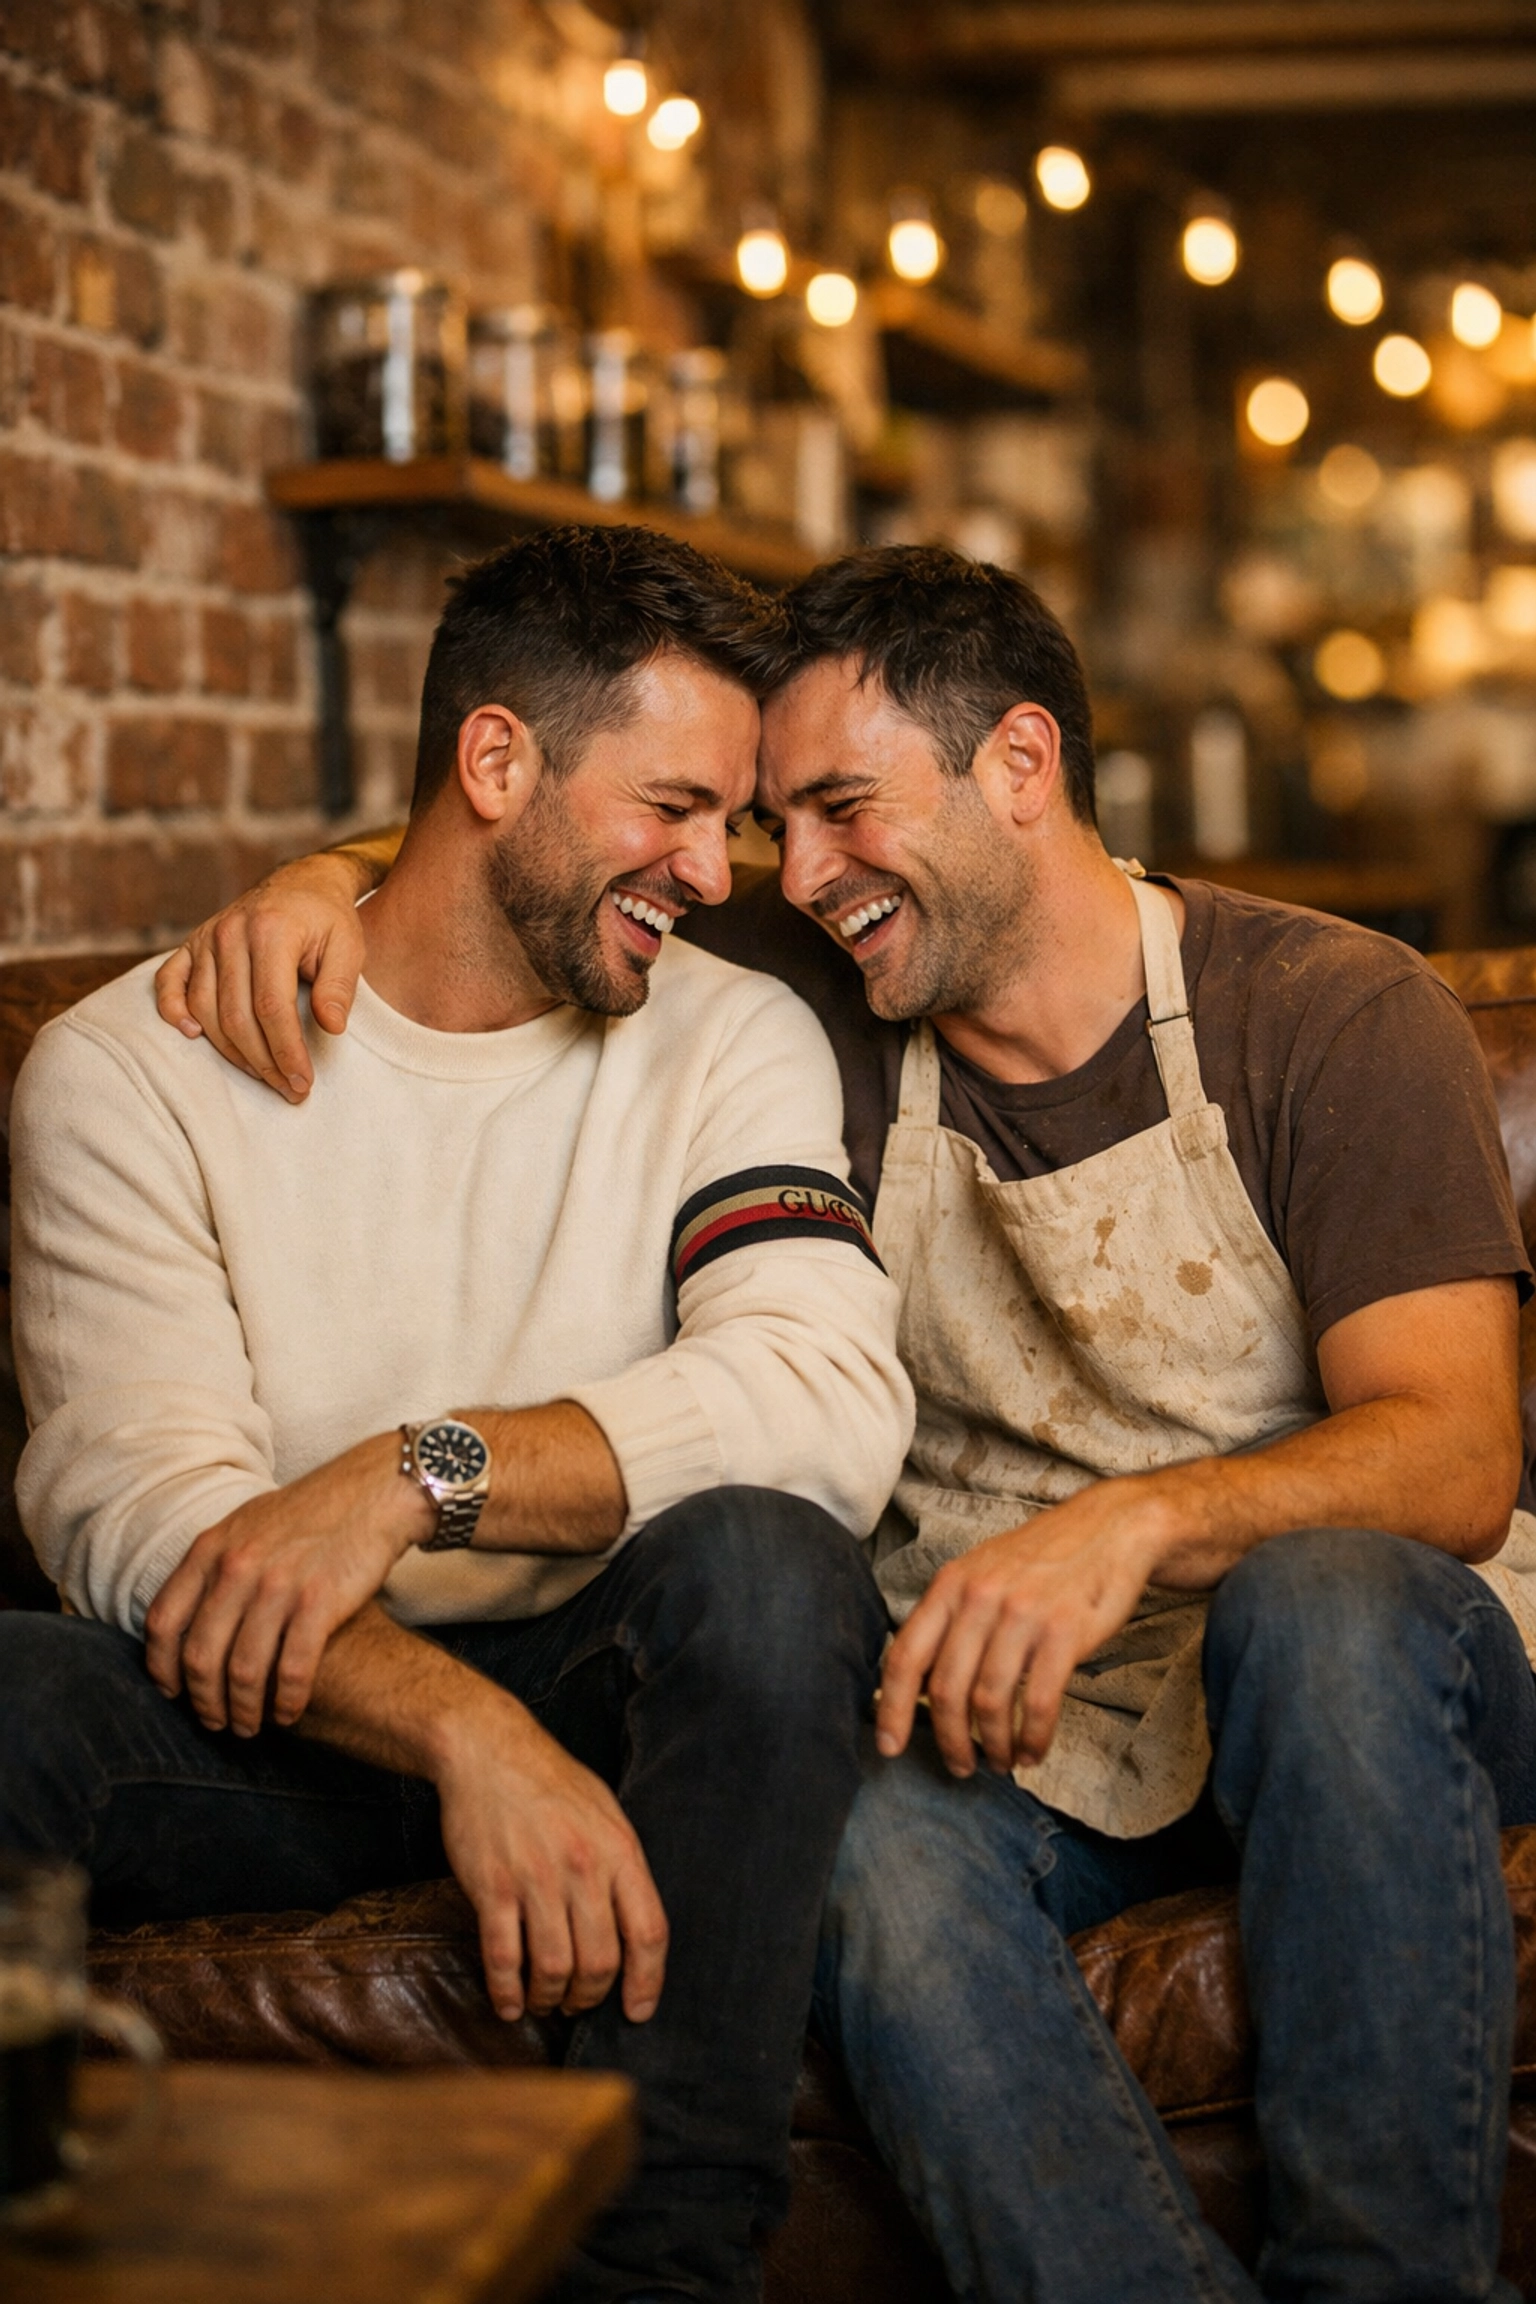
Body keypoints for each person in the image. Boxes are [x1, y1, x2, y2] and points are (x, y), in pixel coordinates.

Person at [152, 543, 1536, 2304]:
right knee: (870, 1846)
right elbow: (516, 850)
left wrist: (1125, 1526)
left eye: (836, 809)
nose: (791, 875)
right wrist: (307, 885)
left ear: (1020, 767)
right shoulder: (831, 996)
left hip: (1365, 1693)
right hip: (1031, 1730)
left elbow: (1454, 1454)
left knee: (1318, 1601)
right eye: (770, 823)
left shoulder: (1331, 1014)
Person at [0, 526, 915, 2304]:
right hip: (290, 1717)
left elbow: (816, 1396)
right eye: (673, 808)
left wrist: (422, 1474)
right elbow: (135, 1511)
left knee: (770, 1568)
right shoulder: (128, 1071)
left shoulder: (734, 1040)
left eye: (730, 821)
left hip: (627, 1698)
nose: (715, 873)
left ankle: (652, 2275)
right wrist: (467, 1742)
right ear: (496, 762)